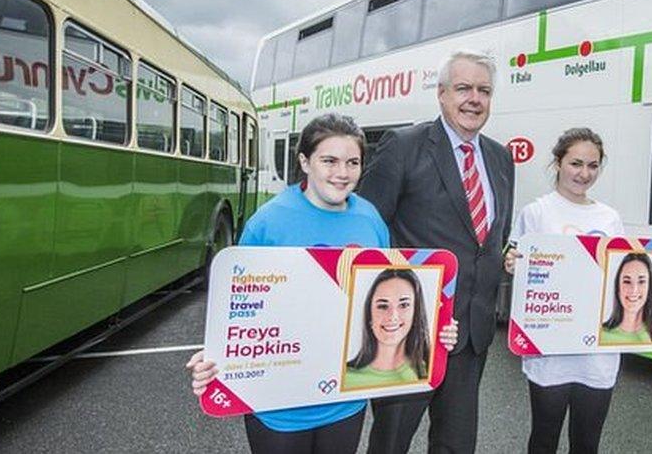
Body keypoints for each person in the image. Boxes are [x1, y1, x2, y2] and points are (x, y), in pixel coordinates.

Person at [186, 114, 457, 454]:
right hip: (278, 408)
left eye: (353, 162)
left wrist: (436, 328)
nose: (342, 173)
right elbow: (235, 307)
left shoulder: (370, 219)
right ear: (304, 162)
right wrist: (213, 353)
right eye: (329, 161)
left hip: (343, 403)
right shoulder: (268, 223)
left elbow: (389, 291)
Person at [357, 49, 515, 454]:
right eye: (463, 88)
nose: (474, 99)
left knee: (456, 444)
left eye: (484, 90)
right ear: (442, 94)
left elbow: (494, 236)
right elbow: (367, 231)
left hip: (471, 334)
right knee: (391, 443)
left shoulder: (500, 158)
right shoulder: (403, 146)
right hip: (409, 331)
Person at [504, 127, 624, 454]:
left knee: (587, 444)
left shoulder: (610, 218)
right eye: (576, 163)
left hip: (597, 353)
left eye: (593, 165)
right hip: (550, 349)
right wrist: (513, 262)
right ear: (558, 162)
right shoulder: (537, 212)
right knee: (544, 438)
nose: (584, 174)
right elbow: (513, 256)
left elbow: (624, 271)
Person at [345, 268, 431, 389]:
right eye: (383, 306)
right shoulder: (345, 376)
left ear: (416, 313)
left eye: (404, 305)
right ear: (369, 315)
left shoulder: (428, 371)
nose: (393, 317)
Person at [600, 252, 652, 345]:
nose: (634, 290)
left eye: (641, 281)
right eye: (627, 281)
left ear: (650, 287)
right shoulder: (600, 334)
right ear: (618, 287)